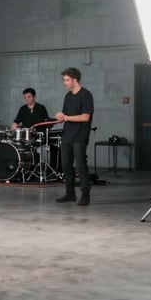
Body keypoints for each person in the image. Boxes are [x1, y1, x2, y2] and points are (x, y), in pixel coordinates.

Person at [54, 68, 94, 206]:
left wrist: (66, 117)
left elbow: (85, 117)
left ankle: (85, 196)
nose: (65, 83)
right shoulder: (68, 96)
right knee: (66, 166)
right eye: (64, 80)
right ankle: (70, 194)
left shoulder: (86, 95)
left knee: (81, 166)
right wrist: (60, 117)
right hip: (67, 136)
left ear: (74, 79)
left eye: (67, 80)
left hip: (80, 136)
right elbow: (66, 116)